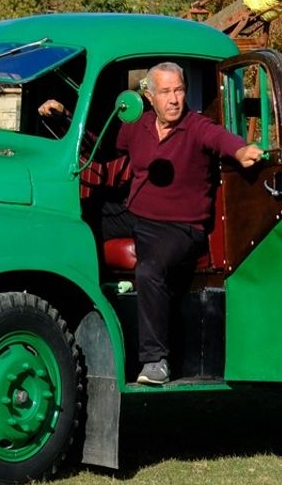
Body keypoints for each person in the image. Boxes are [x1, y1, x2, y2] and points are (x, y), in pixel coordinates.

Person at [105, 62, 264, 385]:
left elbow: (219, 138)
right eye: (165, 92)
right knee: (79, 223)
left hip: (179, 227)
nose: (174, 99)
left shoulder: (196, 126)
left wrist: (242, 149)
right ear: (149, 96)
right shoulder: (137, 124)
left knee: (150, 269)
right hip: (134, 213)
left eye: (179, 90)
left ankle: (154, 361)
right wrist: (61, 118)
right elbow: (104, 146)